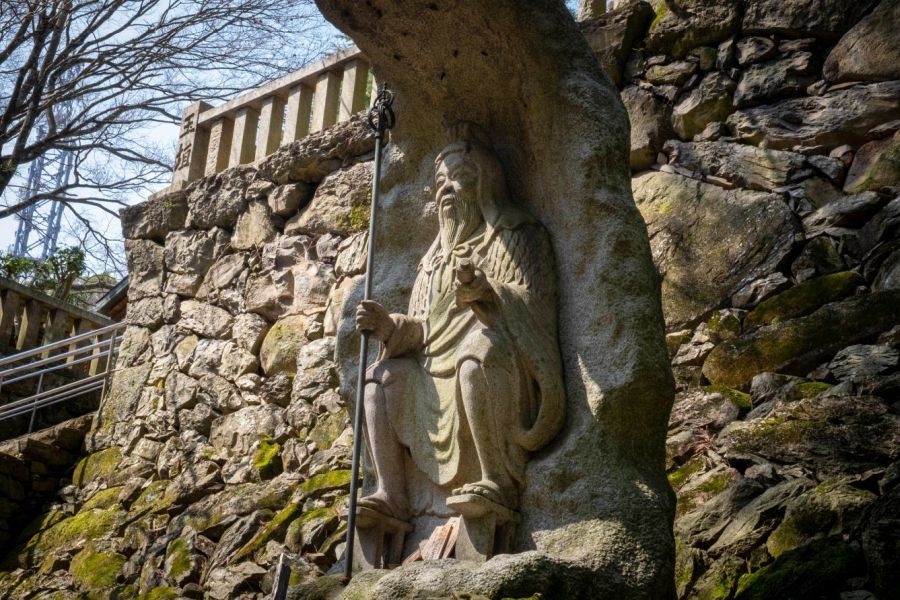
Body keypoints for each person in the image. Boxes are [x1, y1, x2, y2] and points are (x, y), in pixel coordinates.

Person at [355, 123, 565, 521]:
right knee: (378, 376)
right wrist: (389, 327)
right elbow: (423, 328)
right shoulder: (433, 261)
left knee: (477, 353)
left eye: (460, 178)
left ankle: (496, 480)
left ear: (486, 183)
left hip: (498, 364)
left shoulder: (516, 234)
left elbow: (537, 309)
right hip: (433, 373)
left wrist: (489, 293)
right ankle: (392, 495)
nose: (448, 189)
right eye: (441, 182)